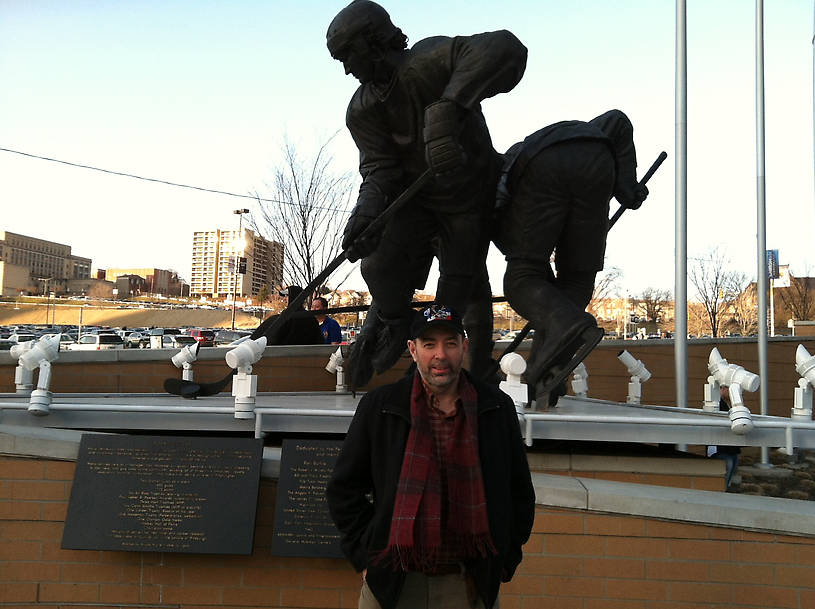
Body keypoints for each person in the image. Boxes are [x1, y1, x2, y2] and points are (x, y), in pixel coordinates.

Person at [326, 0, 528, 387]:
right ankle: (395, 324)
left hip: (468, 203)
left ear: (374, 40)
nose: (348, 68)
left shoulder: (426, 60)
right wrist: (365, 214)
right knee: (377, 265)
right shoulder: (362, 109)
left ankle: (439, 375)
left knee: (455, 294)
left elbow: (506, 47)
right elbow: (378, 167)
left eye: (349, 55)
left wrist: (449, 108)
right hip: (415, 203)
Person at [327, 304, 535, 609]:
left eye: (450, 343)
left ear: (464, 347)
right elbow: (343, 489)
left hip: (468, 583)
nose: (440, 354)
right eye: (429, 344)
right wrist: (367, 555)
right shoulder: (382, 406)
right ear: (412, 350)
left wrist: (505, 559)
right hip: (394, 583)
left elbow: (519, 492)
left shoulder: (496, 408)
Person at [494, 109, 649, 406]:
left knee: (522, 276)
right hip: (597, 162)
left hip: (543, 166)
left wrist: (525, 260)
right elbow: (618, 120)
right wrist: (627, 189)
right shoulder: (592, 131)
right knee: (577, 279)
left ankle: (564, 329)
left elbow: (521, 253)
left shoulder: (509, 169)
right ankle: (547, 368)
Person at [707, 386, 740, 488]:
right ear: (723, 389)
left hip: (730, 447)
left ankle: (726, 489)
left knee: (731, 467)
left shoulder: (729, 404)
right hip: (721, 447)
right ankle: (722, 491)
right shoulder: (717, 404)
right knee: (727, 468)